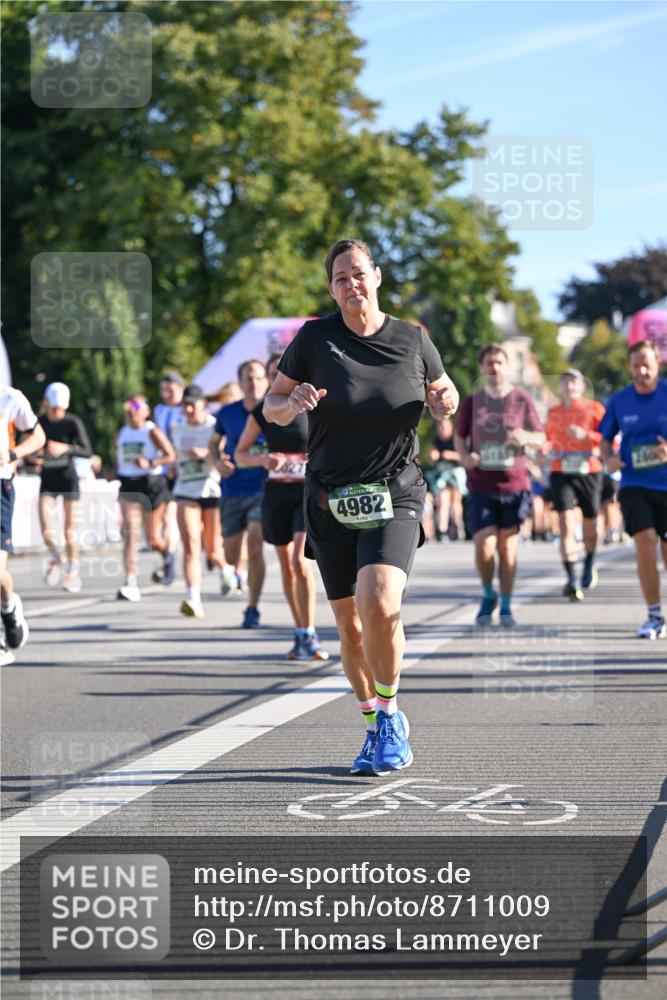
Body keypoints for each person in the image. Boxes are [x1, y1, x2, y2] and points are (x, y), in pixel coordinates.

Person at [264, 238, 458, 775]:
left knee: (380, 600)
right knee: (350, 627)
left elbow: (445, 393)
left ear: (376, 277)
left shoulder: (413, 339)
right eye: (340, 278)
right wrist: (290, 402)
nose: (351, 284)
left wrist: (445, 402)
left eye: (358, 273)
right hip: (330, 497)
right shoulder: (314, 339)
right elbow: (272, 404)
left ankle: (391, 716)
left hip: (395, 489)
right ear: (332, 289)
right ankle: (372, 721)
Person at [235, 353, 329, 661]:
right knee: (287, 566)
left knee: (300, 561)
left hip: (306, 492)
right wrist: (263, 459)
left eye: (283, 372)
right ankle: (300, 632)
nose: (280, 378)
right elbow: (240, 454)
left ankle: (311, 631)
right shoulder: (263, 411)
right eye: (274, 374)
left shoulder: (311, 405)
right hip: (276, 494)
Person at [454, 344, 545, 627]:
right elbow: (459, 437)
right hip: (481, 484)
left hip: (515, 485)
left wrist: (526, 437)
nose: (494, 367)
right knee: (484, 545)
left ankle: (505, 604)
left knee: (507, 549)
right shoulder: (472, 402)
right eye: (489, 363)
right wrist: (465, 457)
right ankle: (487, 593)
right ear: (482, 368)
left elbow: (541, 437)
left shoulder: (522, 400)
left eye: (499, 362)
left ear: (507, 367)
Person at [599, 340, 667, 639]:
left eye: (646, 365)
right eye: (636, 366)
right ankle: (654, 616)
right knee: (646, 541)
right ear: (629, 366)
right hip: (634, 484)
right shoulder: (620, 400)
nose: (641, 371)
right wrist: (608, 459)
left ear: (658, 363)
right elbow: (604, 440)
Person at [210, 360, 269, 628]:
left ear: (266, 381)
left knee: (255, 546)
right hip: (232, 488)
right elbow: (213, 443)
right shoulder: (227, 413)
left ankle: (252, 607)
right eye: (248, 378)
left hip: (263, 488)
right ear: (240, 382)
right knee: (230, 554)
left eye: (258, 377)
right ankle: (236, 569)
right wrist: (217, 462)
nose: (253, 383)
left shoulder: (275, 410)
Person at [545, 369, 606, 601]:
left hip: (589, 470)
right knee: (566, 523)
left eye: (573, 382)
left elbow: (609, 438)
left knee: (591, 525)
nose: (569, 386)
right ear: (559, 387)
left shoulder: (594, 409)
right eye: (565, 382)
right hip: (561, 470)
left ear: (582, 386)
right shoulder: (553, 412)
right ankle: (572, 579)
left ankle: (589, 560)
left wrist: (586, 435)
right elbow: (547, 440)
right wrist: (542, 450)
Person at [0, 385, 46, 665]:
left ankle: (8, 608)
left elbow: (38, 436)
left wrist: (13, 454)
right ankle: (7, 611)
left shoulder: (10, 397)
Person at [115, 395, 176, 601]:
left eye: (136, 406)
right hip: (128, 484)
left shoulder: (151, 431)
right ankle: (130, 581)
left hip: (150, 484)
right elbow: (120, 459)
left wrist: (149, 462)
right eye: (128, 405)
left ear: (146, 411)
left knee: (151, 539)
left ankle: (168, 556)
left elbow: (170, 455)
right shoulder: (122, 432)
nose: (131, 410)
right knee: (130, 533)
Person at [171, 384, 225, 618]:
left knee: (213, 551)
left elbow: (224, 452)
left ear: (204, 404)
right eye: (185, 405)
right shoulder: (177, 428)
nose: (189, 409)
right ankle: (193, 597)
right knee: (191, 545)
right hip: (185, 490)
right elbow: (176, 458)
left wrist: (206, 453)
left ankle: (227, 570)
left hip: (211, 490)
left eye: (193, 404)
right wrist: (173, 467)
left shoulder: (214, 426)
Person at [37, 382, 92, 593]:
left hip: (68, 479)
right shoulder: (40, 422)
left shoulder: (72, 422)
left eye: (59, 408)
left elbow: (87, 450)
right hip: (48, 480)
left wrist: (66, 448)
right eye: (53, 408)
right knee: (46, 529)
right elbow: (29, 445)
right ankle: (56, 557)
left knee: (70, 530)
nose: (56, 412)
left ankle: (72, 571)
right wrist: (34, 456)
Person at [151, 371, 185, 584]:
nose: (167, 394)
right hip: (162, 471)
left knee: (172, 518)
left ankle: (171, 556)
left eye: (171, 390)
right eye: (164, 390)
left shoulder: (187, 409)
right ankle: (168, 558)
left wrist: (177, 462)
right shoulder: (159, 410)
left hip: (182, 470)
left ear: (181, 389)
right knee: (165, 519)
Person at [426, 416, 466, 541]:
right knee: (443, 500)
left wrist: (451, 455)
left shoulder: (456, 439)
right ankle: (442, 530)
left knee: (455, 501)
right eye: (440, 426)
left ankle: (457, 526)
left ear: (451, 427)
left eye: (444, 426)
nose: (442, 429)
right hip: (442, 474)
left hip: (455, 473)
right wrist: (433, 456)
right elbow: (432, 460)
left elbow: (464, 457)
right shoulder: (436, 440)